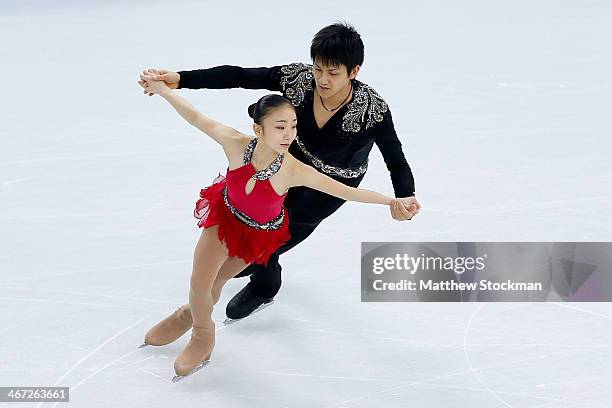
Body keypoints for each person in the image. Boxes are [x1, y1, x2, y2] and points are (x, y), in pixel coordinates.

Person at [137, 77, 419, 381]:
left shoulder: (293, 169)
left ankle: (193, 320)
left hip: (257, 235)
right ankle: (200, 329)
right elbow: (195, 117)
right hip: (224, 217)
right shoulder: (234, 143)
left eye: (293, 126)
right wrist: (164, 90)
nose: (289, 134)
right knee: (199, 282)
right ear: (259, 129)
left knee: (215, 283)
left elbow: (344, 190)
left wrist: (391, 201)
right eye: (280, 126)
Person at [139, 22, 421, 323]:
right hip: (286, 163)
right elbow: (239, 75)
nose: (323, 79)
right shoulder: (298, 78)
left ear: (354, 71)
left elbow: (396, 158)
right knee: (260, 226)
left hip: (332, 183)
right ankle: (261, 277)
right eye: (318, 69)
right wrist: (181, 79)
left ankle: (265, 286)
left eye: (333, 73)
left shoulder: (372, 109)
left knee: (273, 241)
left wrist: (405, 196)